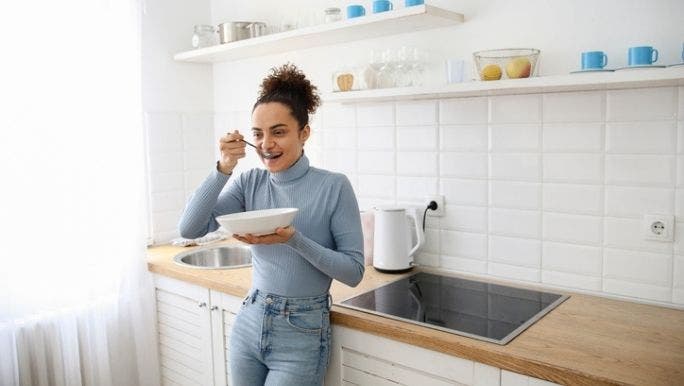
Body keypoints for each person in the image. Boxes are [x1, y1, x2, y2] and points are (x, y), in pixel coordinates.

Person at [178, 63, 365, 386]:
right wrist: (223, 167)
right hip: (250, 318)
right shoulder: (250, 181)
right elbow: (190, 228)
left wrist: (294, 240)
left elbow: (353, 271)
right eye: (258, 134)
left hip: (302, 329)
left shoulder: (334, 186)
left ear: (304, 133)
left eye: (278, 132)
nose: (266, 144)